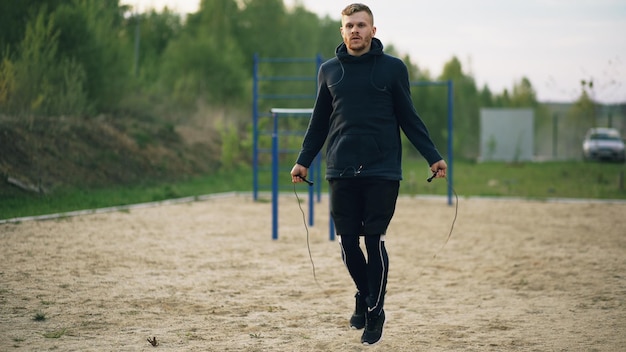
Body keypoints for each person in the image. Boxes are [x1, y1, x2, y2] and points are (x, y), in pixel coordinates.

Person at [290, 3, 447, 346]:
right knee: (347, 245)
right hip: (341, 169)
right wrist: (303, 160)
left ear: (373, 31)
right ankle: (364, 293)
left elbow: (409, 116)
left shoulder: (392, 69)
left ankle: (375, 313)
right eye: (350, 26)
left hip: (382, 170)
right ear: (342, 31)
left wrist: (432, 156)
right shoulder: (329, 71)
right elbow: (319, 122)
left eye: (362, 25)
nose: (356, 31)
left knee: (373, 241)